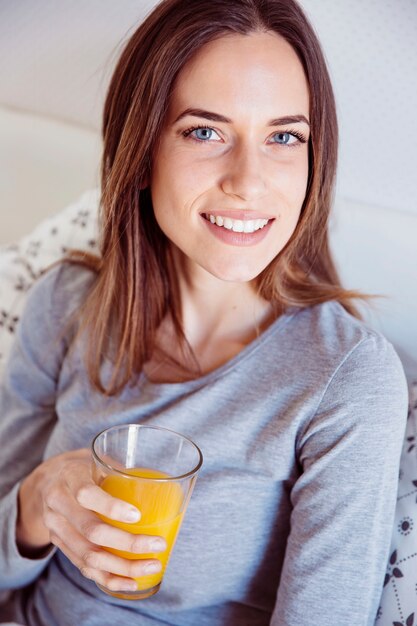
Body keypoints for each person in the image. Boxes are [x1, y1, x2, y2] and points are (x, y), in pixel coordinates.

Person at [0, 0, 408, 624]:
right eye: (204, 131)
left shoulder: (347, 378)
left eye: (283, 136)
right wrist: (37, 501)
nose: (248, 181)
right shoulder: (65, 305)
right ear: (141, 154)